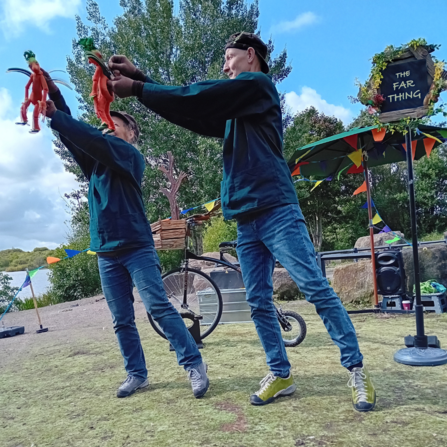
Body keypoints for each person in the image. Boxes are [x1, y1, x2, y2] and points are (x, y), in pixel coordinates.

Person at [107, 32, 376, 411]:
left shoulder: (259, 86)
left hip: (276, 208)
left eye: (228, 58)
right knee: (258, 302)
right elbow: (191, 111)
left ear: (250, 56)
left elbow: (200, 95)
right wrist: (143, 81)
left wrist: (136, 86)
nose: (224, 66)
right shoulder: (237, 111)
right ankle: (280, 373)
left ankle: (356, 370)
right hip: (245, 219)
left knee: (315, 287)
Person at [42, 69, 209, 399]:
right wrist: (56, 98)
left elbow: (92, 139)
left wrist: (59, 116)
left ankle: (194, 364)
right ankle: (137, 374)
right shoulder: (95, 163)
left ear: (132, 133)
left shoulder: (130, 157)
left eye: (114, 121)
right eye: (105, 120)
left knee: (159, 307)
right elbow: (78, 138)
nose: (107, 123)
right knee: (121, 319)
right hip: (106, 252)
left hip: (136, 247)